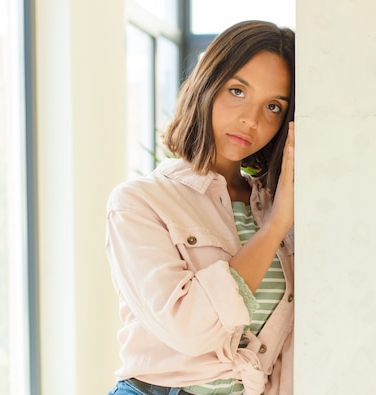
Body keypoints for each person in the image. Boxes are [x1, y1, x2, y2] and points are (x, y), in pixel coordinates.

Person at [105, 20, 295, 395]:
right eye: (237, 90)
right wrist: (274, 228)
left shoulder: (278, 206)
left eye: (273, 106)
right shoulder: (139, 203)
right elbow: (191, 329)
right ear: (206, 86)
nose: (250, 119)